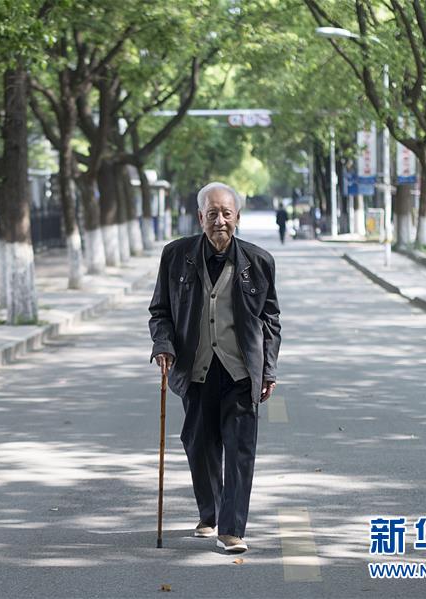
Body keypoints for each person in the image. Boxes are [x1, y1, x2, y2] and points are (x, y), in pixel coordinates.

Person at [148, 182, 282, 555]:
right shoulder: (175, 256)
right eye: (212, 214)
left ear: (237, 216)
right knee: (200, 446)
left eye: (226, 213)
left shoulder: (259, 261)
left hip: (240, 373)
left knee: (240, 450)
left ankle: (232, 529)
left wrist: (268, 369)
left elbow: (270, 320)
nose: (219, 220)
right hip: (195, 370)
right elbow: (160, 312)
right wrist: (163, 345)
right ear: (200, 217)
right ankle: (210, 513)